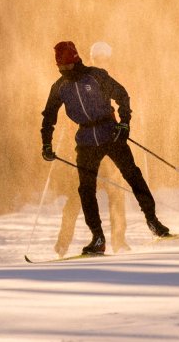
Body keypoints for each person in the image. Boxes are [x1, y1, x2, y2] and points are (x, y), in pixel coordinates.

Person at [41, 40, 171, 255]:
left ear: (76, 60)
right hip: (85, 140)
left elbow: (122, 96)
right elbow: (49, 116)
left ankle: (153, 221)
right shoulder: (60, 87)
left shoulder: (96, 75)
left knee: (132, 175)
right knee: (85, 190)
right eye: (60, 68)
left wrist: (124, 123)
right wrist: (46, 142)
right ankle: (97, 238)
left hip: (110, 132)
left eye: (67, 66)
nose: (64, 71)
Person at [54, 41, 128, 256]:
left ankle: (119, 241)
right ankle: (62, 244)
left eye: (105, 58)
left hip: (109, 146)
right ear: (93, 58)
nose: (101, 61)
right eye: (98, 58)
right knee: (77, 196)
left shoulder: (107, 78)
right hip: (84, 147)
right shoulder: (84, 78)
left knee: (116, 194)